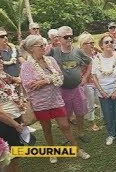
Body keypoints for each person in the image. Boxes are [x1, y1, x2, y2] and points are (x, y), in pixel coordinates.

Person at [20, 35, 90, 163]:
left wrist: (45, 81)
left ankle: (76, 149)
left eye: (44, 44)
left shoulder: (50, 60)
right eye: (40, 46)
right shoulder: (26, 66)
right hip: (40, 103)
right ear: (31, 49)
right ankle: (52, 152)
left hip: (56, 100)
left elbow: (60, 77)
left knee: (65, 125)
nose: (44, 47)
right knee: (47, 129)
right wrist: (50, 80)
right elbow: (29, 85)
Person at [47, 26, 91, 143]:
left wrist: (85, 77)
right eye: (66, 37)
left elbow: (90, 62)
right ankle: (66, 136)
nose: (69, 39)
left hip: (77, 88)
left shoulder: (78, 51)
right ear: (59, 39)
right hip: (61, 90)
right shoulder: (53, 52)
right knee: (64, 114)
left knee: (80, 112)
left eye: (71, 36)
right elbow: (42, 63)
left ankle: (81, 132)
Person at [0, 46, 25, 172]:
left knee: (15, 156)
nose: (1, 61)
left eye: (1, 58)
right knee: (8, 158)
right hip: (4, 124)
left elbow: (11, 94)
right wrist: (16, 125)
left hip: (13, 120)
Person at [92, 34, 116, 145]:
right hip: (103, 93)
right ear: (101, 46)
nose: (109, 44)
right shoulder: (96, 59)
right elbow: (94, 77)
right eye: (106, 42)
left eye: (111, 42)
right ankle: (111, 134)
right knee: (108, 114)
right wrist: (102, 91)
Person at [78, 32, 101, 131]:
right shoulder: (79, 56)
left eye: (93, 42)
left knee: (100, 101)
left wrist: (96, 49)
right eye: (89, 43)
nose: (92, 45)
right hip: (87, 83)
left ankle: (104, 118)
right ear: (83, 44)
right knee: (90, 103)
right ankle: (92, 123)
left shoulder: (95, 54)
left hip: (97, 82)